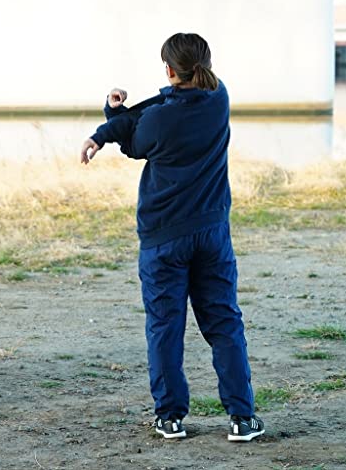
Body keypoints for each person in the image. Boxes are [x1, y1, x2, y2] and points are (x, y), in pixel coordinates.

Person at [79, 33, 264, 442]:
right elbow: (155, 110)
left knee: (165, 327)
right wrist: (115, 118)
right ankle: (241, 418)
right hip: (212, 233)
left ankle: (170, 417)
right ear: (206, 65)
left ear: (168, 70)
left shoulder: (160, 120)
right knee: (224, 323)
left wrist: (108, 121)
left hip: (164, 238)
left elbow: (134, 140)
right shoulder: (219, 99)